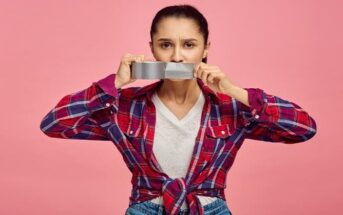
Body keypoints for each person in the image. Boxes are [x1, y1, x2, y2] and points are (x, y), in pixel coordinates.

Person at [39, 4, 317, 215]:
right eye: (165, 45)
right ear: (152, 50)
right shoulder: (124, 106)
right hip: (144, 209)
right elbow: (53, 124)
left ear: (206, 48)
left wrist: (235, 91)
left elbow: (304, 129)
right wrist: (114, 83)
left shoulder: (231, 108)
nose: (176, 56)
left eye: (189, 45)